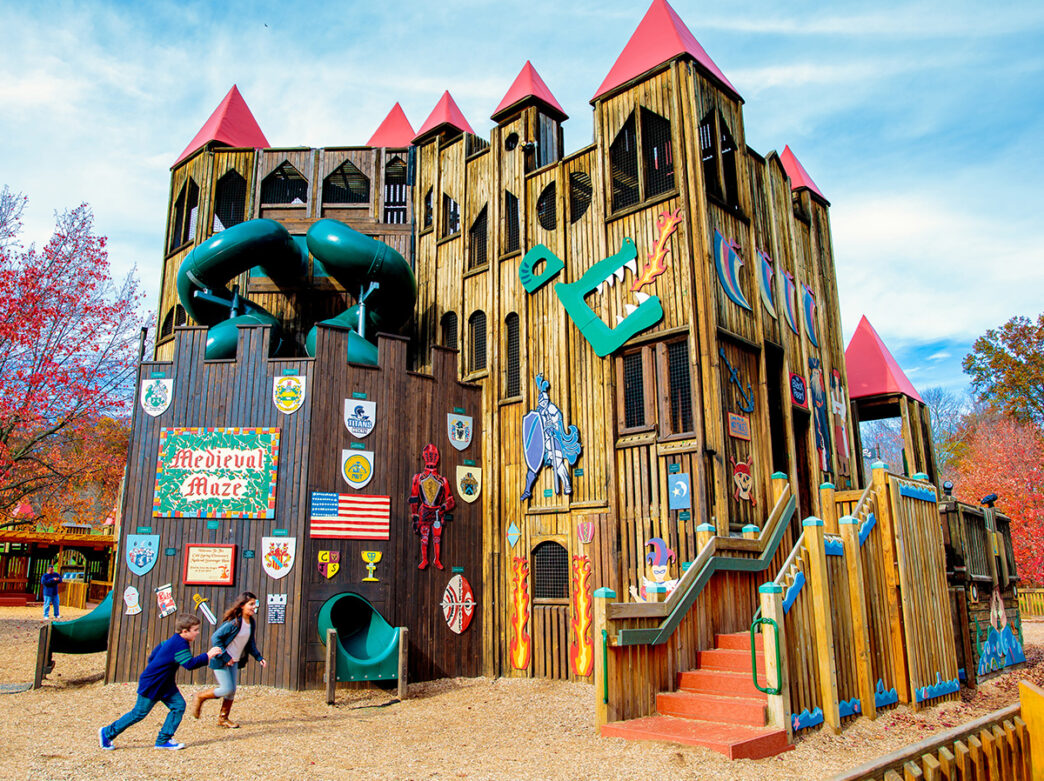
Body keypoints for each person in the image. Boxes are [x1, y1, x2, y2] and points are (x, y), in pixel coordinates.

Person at [99, 613, 220, 750]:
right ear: (185, 631)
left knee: (178, 706)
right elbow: (190, 664)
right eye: (195, 630)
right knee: (138, 713)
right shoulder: (179, 644)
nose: (198, 633)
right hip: (153, 684)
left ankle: (163, 740)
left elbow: (154, 655)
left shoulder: (173, 641)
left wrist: (159, 669)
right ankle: (107, 733)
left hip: (164, 684)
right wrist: (208, 655)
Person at [191, 592, 266, 728]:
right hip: (221, 660)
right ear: (242, 605)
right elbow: (215, 638)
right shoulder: (234, 622)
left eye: (255, 604)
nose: (254, 607)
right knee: (226, 688)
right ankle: (201, 696)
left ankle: (223, 719)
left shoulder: (251, 622)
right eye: (251, 604)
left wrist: (258, 657)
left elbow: (250, 643)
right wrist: (226, 656)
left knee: (232, 691)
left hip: (234, 661)